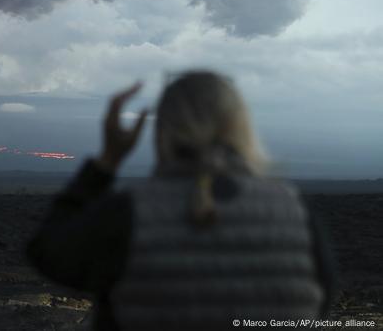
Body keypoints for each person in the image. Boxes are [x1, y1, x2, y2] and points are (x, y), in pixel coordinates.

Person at [27, 71, 336, 330]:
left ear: (164, 131)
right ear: (240, 126)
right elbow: (321, 301)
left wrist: (106, 162)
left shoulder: (131, 213)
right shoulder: (294, 211)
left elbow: (49, 256)